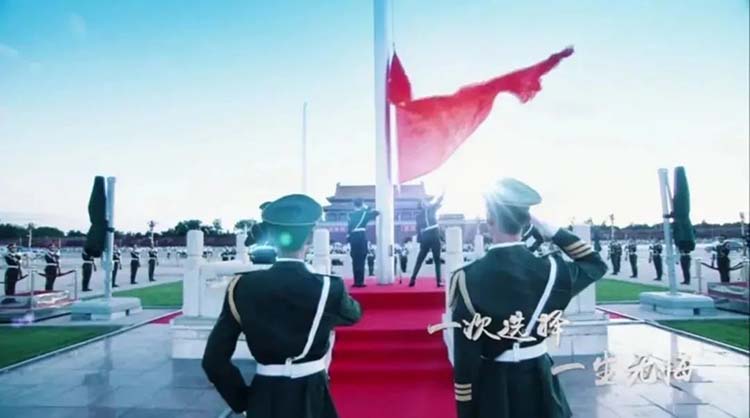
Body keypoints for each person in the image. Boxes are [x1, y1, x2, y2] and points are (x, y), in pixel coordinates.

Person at [450, 178, 607, 418]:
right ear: (527, 221)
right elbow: (595, 264)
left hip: (495, 386)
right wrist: (553, 231)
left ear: (489, 219)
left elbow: (466, 360)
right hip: (540, 378)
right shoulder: (552, 271)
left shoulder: (466, 278)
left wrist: (467, 411)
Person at [202, 194, 362, 418]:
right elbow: (353, 314)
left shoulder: (241, 286)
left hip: (265, 395)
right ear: (309, 239)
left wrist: (243, 400)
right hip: (312, 394)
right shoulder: (328, 287)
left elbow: (213, 361)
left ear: (273, 240)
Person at [409, 193, 445, 287]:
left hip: (427, 235)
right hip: (432, 235)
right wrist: (442, 194)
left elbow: (418, 230)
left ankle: (413, 279)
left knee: (422, 259)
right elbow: (438, 201)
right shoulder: (430, 209)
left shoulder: (420, 215)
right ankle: (438, 281)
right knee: (435, 259)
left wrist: (420, 240)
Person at [347, 198, 379, 287]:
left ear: (353, 205)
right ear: (362, 204)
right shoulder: (365, 214)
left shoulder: (350, 215)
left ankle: (356, 281)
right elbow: (376, 213)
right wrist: (366, 207)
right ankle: (360, 282)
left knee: (355, 260)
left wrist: (348, 241)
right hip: (361, 237)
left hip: (353, 238)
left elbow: (349, 229)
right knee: (361, 260)